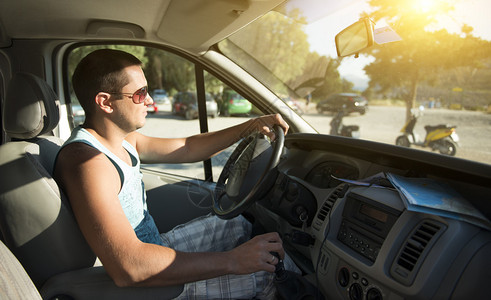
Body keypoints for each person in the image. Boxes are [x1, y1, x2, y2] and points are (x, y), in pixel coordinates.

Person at [54, 49, 298, 299]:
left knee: (238, 224)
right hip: (151, 284)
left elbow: (188, 147)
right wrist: (234, 260)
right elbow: (130, 267)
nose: (150, 100)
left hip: (156, 247)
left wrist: (250, 127)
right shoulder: (88, 162)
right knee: (272, 272)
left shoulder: (124, 140)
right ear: (105, 102)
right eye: (140, 94)